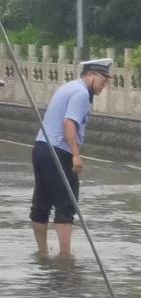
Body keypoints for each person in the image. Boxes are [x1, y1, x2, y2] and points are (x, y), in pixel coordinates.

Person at [30, 58, 112, 257]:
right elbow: (69, 124)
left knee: (41, 203)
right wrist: (76, 155)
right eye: (103, 81)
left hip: (41, 148)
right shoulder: (81, 93)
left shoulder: (68, 87)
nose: (104, 87)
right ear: (91, 75)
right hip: (59, 151)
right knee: (66, 204)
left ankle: (42, 252)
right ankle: (65, 257)